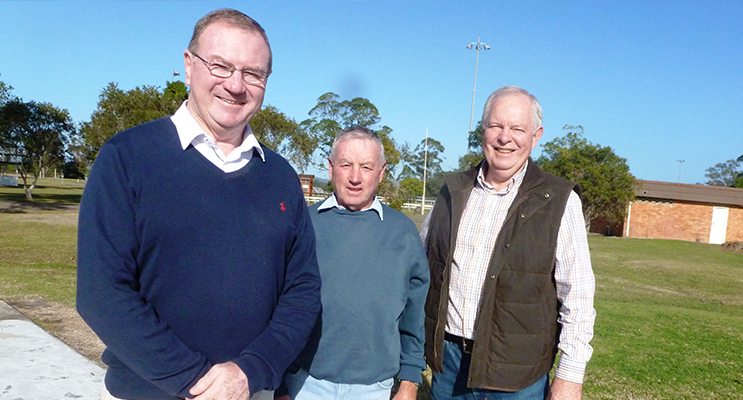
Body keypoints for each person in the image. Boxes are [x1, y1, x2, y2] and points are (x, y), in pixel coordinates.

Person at [76, 9, 321, 400]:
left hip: (249, 391)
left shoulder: (280, 176)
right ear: (189, 66)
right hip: (149, 391)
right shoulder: (126, 157)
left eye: (252, 73)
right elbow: (102, 293)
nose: (236, 85)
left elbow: (303, 290)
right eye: (220, 66)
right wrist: (197, 381)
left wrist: (249, 372)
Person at [421, 86, 596, 400]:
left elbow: (578, 297)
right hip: (449, 369)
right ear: (483, 131)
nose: (505, 137)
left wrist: (569, 378)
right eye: (496, 126)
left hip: (519, 379)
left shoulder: (559, 200)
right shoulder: (452, 192)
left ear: (536, 135)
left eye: (517, 128)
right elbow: (421, 270)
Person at [276, 126, 430, 400]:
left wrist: (409, 380)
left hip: (374, 388)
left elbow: (414, 314)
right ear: (331, 167)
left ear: (381, 172)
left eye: (366, 167)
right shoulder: (302, 224)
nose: (355, 177)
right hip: (306, 383)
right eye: (346, 165)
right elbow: (278, 305)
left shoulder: (403, 232)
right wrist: (281, 384)